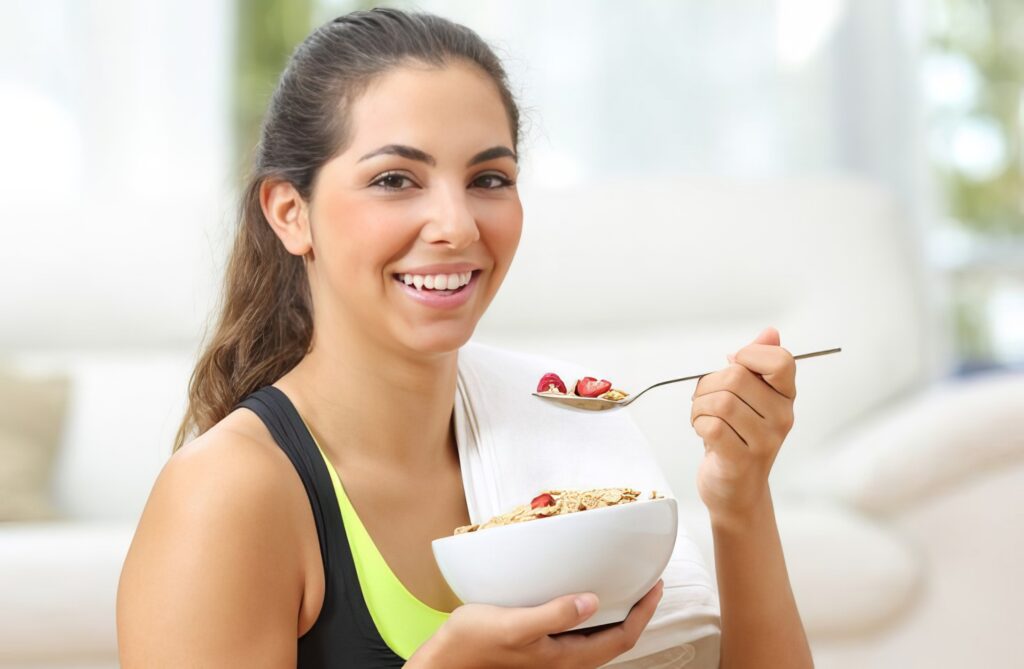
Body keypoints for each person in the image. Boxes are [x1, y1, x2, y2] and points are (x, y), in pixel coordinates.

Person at [116, 8, 813, 668]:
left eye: (488, 178)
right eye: (395, 179)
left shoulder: (550, 427)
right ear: (291, 213)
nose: (456, 225)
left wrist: (740, 497)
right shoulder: (229, 495)